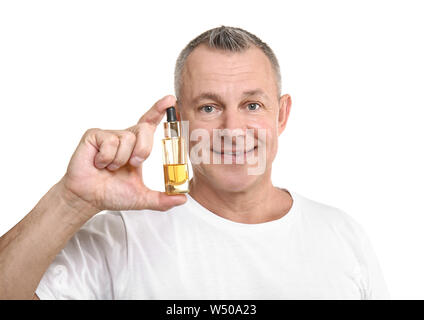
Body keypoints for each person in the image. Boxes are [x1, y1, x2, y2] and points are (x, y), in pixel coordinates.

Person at [0, 26, 389, 300]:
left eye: (252, 105)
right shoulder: (120, 237)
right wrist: (71, 201)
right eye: (208, 107)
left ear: (281, 115)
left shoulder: (343, 236)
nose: (232, 129)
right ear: (179, 122)